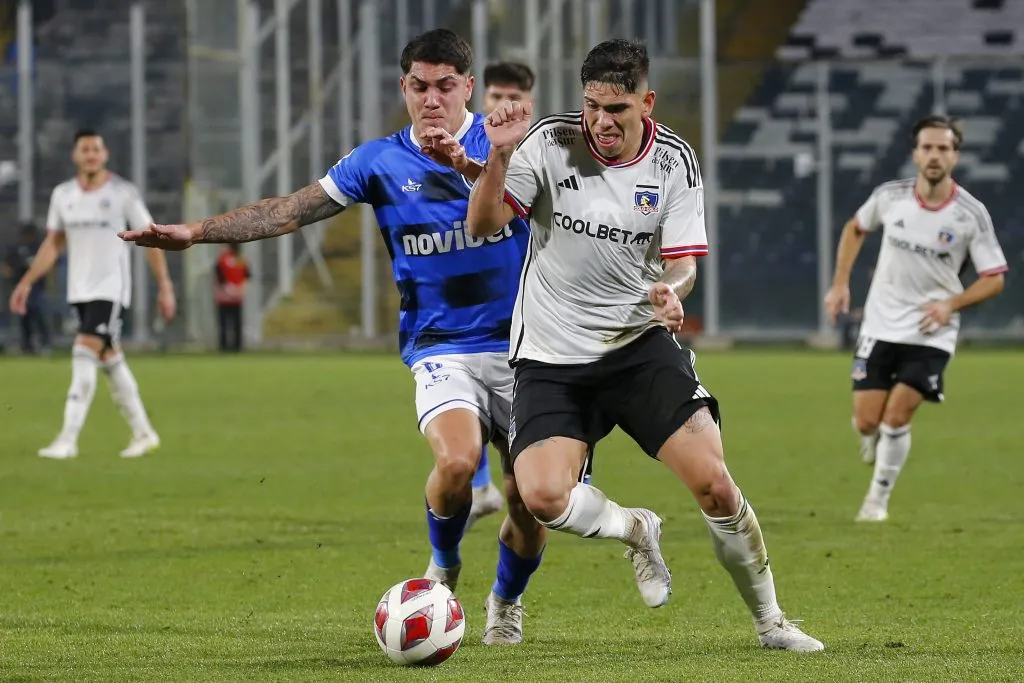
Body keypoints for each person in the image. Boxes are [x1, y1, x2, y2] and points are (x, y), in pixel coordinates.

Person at [121, 29, 548, 646]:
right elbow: (289, 210)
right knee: (456, 462)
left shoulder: (512, 145)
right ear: (404, 87)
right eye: (420, 86)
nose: (432, 99)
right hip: (440, 346)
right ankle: (443, 566)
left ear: (468, 88)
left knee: (529, 501)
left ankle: (505, 603)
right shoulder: (376, 160)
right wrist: (196, 232)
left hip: (525, 346)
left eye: (446, 86)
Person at [444, 38, 824, 651]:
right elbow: (482, 224)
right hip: (551, 353)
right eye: (592, 105)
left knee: (715, 483)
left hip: (636, 343)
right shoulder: (548, 142)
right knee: (540, 497)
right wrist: (497, 159)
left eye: (617, 108)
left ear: (645, 102)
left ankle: (771, 621)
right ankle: (632, 529)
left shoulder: (674, 162)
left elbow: (684, 265)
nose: (601, 121)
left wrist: (672, 291)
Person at [824, 115, 1007, 523]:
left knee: (898, 414)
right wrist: (840, 284)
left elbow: (994, 278)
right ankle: (873, 440)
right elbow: (855, 229)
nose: (935, 155)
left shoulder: (970, 215)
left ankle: (877, 501)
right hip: (880, 324)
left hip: (932, 331)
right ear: (915, 154)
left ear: (955, 156)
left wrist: (950, 305)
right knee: (867, 420)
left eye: (943, 148)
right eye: (927, 147)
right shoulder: (891, 197)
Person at [9, 129, 177, 459]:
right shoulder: (63, 195)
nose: (91, 155)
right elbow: (53, 244)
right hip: (80, 290)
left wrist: (165, 286)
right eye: (85, 150)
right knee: (109, 359)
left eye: (96, 149)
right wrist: (27, 282)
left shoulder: (123, 193)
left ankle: (67, 439)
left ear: (105, 154)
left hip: (111, 289)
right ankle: (144, 433)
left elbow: (153, 238)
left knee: (83, 351)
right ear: (75, 155)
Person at [466, 60, 540, 532]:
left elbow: (500, 207)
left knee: (530, 487)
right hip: (474, 303)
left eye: (511, 99)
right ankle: (478, 487)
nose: (501, 107)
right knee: (457, 395)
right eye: (494, 98)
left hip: (531, 313)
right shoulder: (455, 142)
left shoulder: (540, 154)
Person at [3, 222, 51, 354]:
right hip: (18, 287)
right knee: (24, 317)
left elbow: (46, 268)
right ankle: (26, 345)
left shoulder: (38, 247)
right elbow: (7, 267)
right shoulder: (15, 248)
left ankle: (44, 344)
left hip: (36, 288)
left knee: (38, 315)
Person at [214, 243, 250, 352]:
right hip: (224, 298)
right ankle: (224, 347)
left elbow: (246, 277)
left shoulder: (241, 261)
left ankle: (237, 347)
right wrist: (228, 290)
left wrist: (240, 290)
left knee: (237, 324)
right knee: (223, 324)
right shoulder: (222, 260)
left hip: (236, 299)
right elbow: (219, 278)